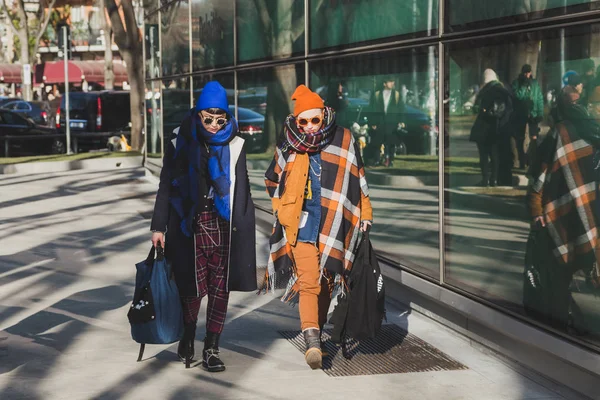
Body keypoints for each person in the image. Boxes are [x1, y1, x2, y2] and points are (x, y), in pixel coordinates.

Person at [264, 84, 373, 369]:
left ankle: (318, 331)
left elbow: (358, 181)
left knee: (326, 281)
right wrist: (283, 209)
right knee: (309, 280)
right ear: (295, 120)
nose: (310, 127)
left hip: (333, 219)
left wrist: (366, 212)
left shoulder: (344, 138)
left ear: (324, 115)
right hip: (301, 222)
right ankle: (312, 340)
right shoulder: (289, 142)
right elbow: (272, 179)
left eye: (315, 120)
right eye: (304, 121)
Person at [150, 81, 257, 372]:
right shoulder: (180, 140)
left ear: (227, 118)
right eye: (207, 118)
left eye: (219, 119)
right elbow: (166, 186)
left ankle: (212, 347)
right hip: (189, 224)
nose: (212, 124)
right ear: (197, 114)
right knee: (191, 289)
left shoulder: (235, 145)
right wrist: (158, 225)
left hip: (223, 223)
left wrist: (246, 227)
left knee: (220, 289)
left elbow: (242, 188)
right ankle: (187, 335)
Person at [527, 85, 600, 334]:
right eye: (595, 106)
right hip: (567, 219)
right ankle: (556, 336)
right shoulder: (563, 133)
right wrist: (537, 213)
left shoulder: (578, 132)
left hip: (590, 220)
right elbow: (538, 179)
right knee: (557, 282)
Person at [469, 68, 514, 186]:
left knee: (483, 155)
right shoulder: (504, 91)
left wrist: (483, 111)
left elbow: (476, 108)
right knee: (495, 155)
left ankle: (485, 179)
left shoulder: (485, 92)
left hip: (484, 126)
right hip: (497, 128)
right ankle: (494, 179)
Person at [367, 76, 405, 167]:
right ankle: (377, 160)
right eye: (390, 82)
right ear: (384, 84)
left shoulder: (396, 94)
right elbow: (372, 109)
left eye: (393, 82)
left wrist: (401, 121)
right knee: (377, 142)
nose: (392, 83)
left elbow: (401, 108)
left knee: (391, 142)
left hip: (392, 122)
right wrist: (372, 122)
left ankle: (390, 160)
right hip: (380, 122)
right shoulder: (376, 94)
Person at [512, 64, 544, 169]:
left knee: (534, 137)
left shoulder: (534, 83)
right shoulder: (517, 83)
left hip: (533, 113)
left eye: (528, 72)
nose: (527, 74)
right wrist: (523, 86)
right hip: (520, 114)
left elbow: (539, 98)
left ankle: (532, 161)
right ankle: (521, 161)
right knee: (520, 139)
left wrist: (540, 113)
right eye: (525, 72)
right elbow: (517, 96)